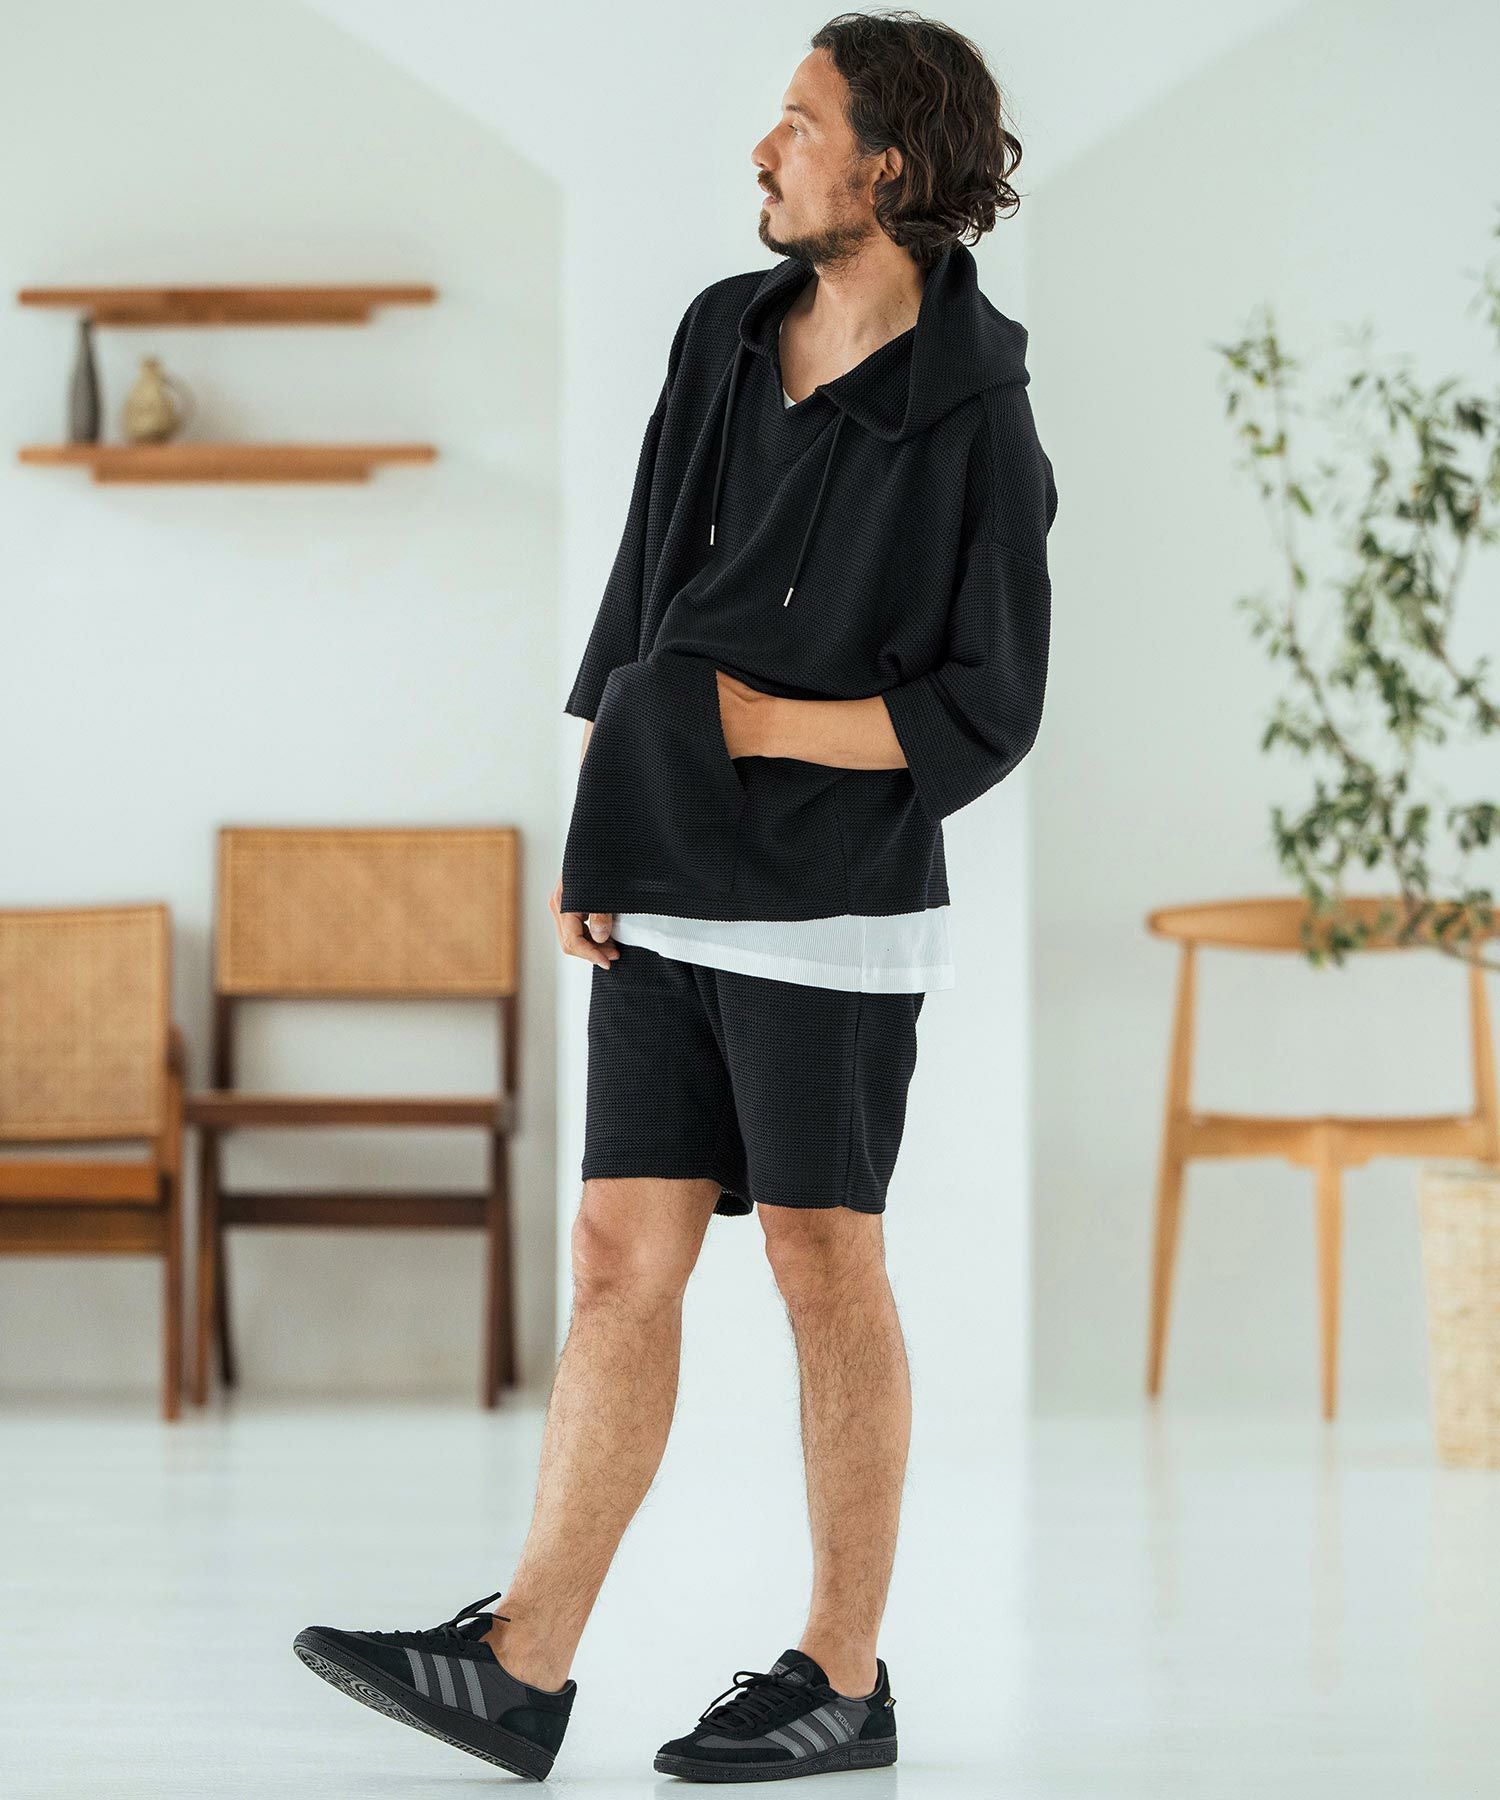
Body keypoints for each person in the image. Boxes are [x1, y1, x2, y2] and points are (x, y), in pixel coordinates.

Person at [292, 12, 1055, 1784]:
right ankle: (521, 1666)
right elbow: (644, 590)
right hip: (670, 872)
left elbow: (989, 708)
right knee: (616, 1258)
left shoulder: (977, 412)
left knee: (820, 1264)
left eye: (800, 123)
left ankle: (841, 1679)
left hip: (835, 900)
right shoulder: (725, 330)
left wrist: (762, 726)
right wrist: (605, 828)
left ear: (888, 163)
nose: (765, 150)